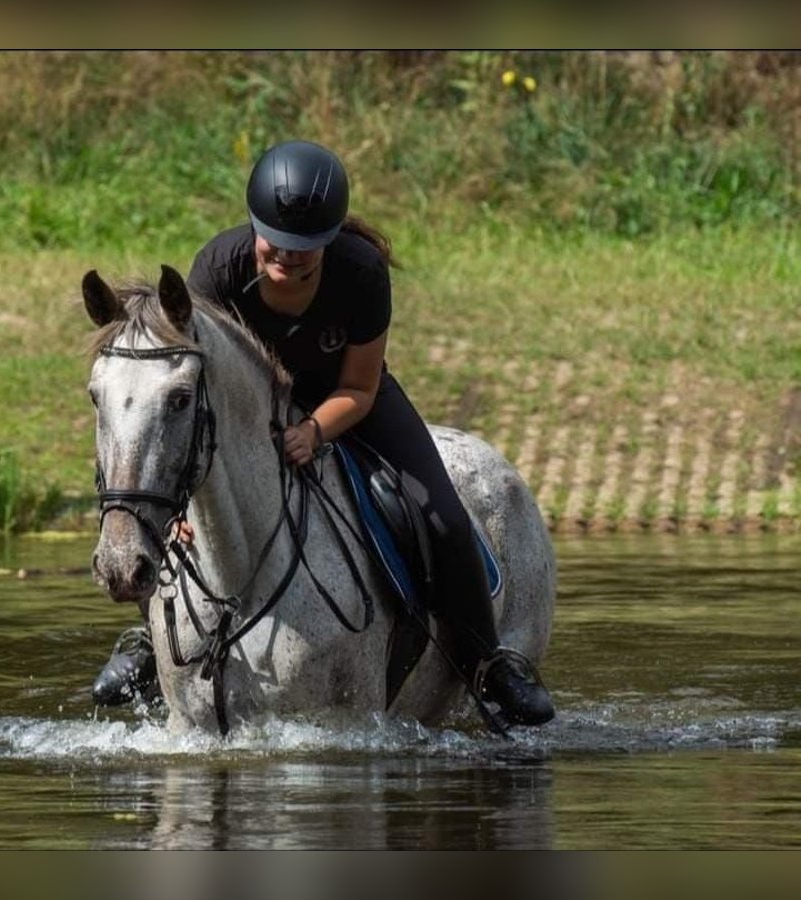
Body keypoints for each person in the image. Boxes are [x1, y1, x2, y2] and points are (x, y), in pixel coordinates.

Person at [92, 139, 554, 727]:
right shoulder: (218, 268)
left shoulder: (360, 272)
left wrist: (314, 429)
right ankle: (148, 643)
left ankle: (487, 662)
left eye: (305, 250)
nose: (286, 258)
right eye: (275, 243)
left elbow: (360, 388)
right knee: (167, 503)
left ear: (329, 241)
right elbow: (196, 386)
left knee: (439, 513)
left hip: (346, 397)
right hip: (250, 409)